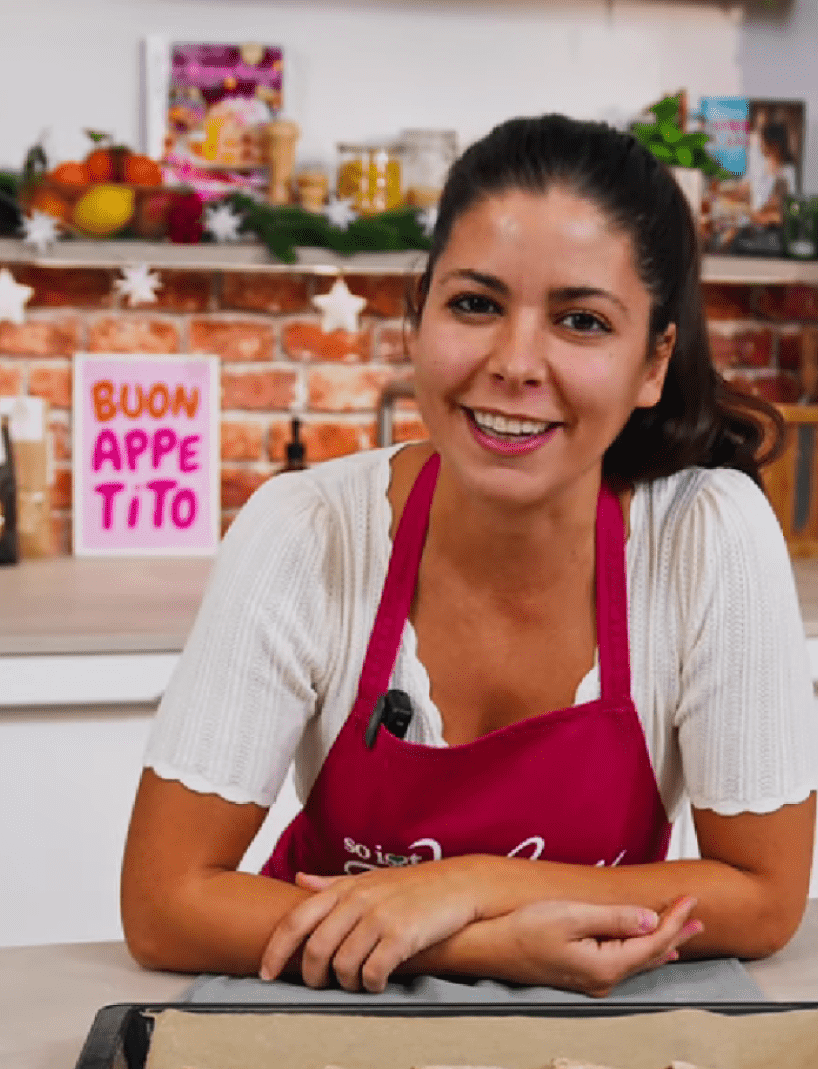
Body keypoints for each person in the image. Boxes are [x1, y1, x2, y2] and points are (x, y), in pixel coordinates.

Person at [121, 113, 816, 996]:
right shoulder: (307, 530)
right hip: (325, 1032)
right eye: (476, 304)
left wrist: (469, 884)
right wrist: (468, 944)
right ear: (418, 317)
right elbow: (163, 904)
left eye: (581, 320)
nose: (515, 362)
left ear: (654, 363)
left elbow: (764, 896)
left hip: (599, 1055)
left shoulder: (707, 536)